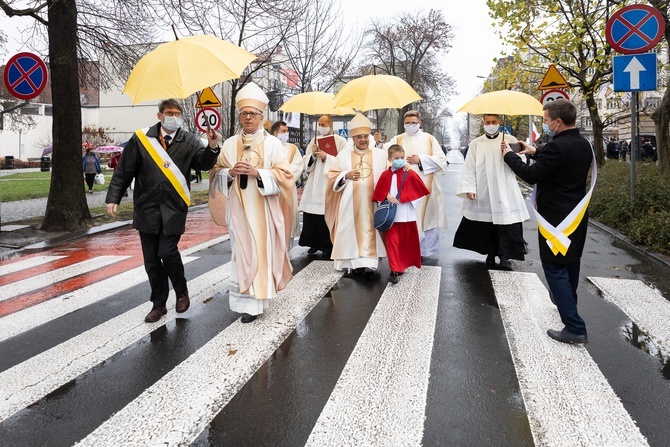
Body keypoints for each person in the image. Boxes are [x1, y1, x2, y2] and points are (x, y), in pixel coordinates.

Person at [105, 99, 220, 323]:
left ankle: (181, 291)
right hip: (146, 207)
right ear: (159, 116)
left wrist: (212, 147)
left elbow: (203, 164)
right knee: (151, 260)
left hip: (174, 207)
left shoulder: (189, 140)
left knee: (166, 251)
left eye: (178, 113)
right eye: (169, 113)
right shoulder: (141, 139)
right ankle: (158, 304)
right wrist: (113, 198)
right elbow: (124, 170)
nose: (174, 117)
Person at [501, 99, 593, 345]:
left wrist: (510, 156)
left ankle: (574, 326)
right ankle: (567, 303)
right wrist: (535, 151)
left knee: (554, 267)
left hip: (556, 219)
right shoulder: (583, 144)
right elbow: (562, 159)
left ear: (558, 121)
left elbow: (532, 175)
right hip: (576, 215)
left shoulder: (556, 147)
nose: (545, 124)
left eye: (546, 120)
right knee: (571, 263)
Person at [208, 82, 295, 323]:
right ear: (240, 116)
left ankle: (258, 301)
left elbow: (286, 177)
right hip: (237, 210)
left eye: (253, 114)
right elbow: (216, 172)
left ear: (261, 117)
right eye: (244, 113)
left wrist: (260, 174)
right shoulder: (229, 144)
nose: (248, 117)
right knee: (242, 254)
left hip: (264, 211)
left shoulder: (273, 144)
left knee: (260, 252)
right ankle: (245, 300)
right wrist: (230, 173)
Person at [454, 114, 529, 270]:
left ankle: (504, 257)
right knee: (487, 224)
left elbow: (521, 163)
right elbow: (469, 168)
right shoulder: (476, 143)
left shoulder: (510, 140)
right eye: (488, 122)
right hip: (484, 188)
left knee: (505, 224)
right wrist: (469, 188)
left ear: (499, 122)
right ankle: (490, 254)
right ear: (483, 123)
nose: (491, 125)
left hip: (505, 188)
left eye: (494, 122)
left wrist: (509, 152)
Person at [325, 113, 388, 277]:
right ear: (352, 138)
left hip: (373, 202)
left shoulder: (380, 155)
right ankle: (351, 263)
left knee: (371, 230)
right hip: (348, 202)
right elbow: (332, 176)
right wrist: (345, 175)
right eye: (359, 137)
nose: (363, 140)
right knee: (349, 231)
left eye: (365, 136)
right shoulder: (343, 155)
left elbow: (390, 174)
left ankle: (370, 264)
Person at [383, 110, 448, 257]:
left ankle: (424, 252)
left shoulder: (429, 139)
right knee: (405, 218)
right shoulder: (398, 139)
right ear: (403, 124)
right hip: (402, 186)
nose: (410, 125)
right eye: (407, 123)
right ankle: (406, 250)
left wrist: (421, 160)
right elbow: (383, 152)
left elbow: (442, 160)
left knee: (426, 218)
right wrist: (377, 142)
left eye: (413, 122)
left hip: (425, 185)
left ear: (419, 123)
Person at [372, 144, 430, 284]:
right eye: (396, 158)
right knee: (392, 242)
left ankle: (401, 266)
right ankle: (394, 270)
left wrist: (406, 198)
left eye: (402, 157)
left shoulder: (409, 173)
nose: (400, 160)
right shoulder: (385, 174)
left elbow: (421, 192)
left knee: (405, 243)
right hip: (391, 217)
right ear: (389, 159)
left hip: (406, 214)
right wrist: (386, 196)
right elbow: (379, 193)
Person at [298, 114, 350, 258]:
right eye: (319, 124)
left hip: (329, 181)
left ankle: (328, 245)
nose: (321, 127)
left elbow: (343, 161)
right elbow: (306, 161)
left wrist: (327, 157)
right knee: (312, 214)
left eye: (323, 124)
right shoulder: (314, 141)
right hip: (315, 182)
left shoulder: (341, 141)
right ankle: (313, 243)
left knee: (327, 213)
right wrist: (313, 155)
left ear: (331, 125)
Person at [271, 120, 303, 242]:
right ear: (275, 133)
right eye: (283, 131)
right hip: (270, 190)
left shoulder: (292, 148)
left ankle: (286, 247)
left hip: (287, 190)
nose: (287, 134)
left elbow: (298, 166)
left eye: (287, 131)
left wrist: (282, 176)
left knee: (287, 218)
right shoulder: (267, 147)